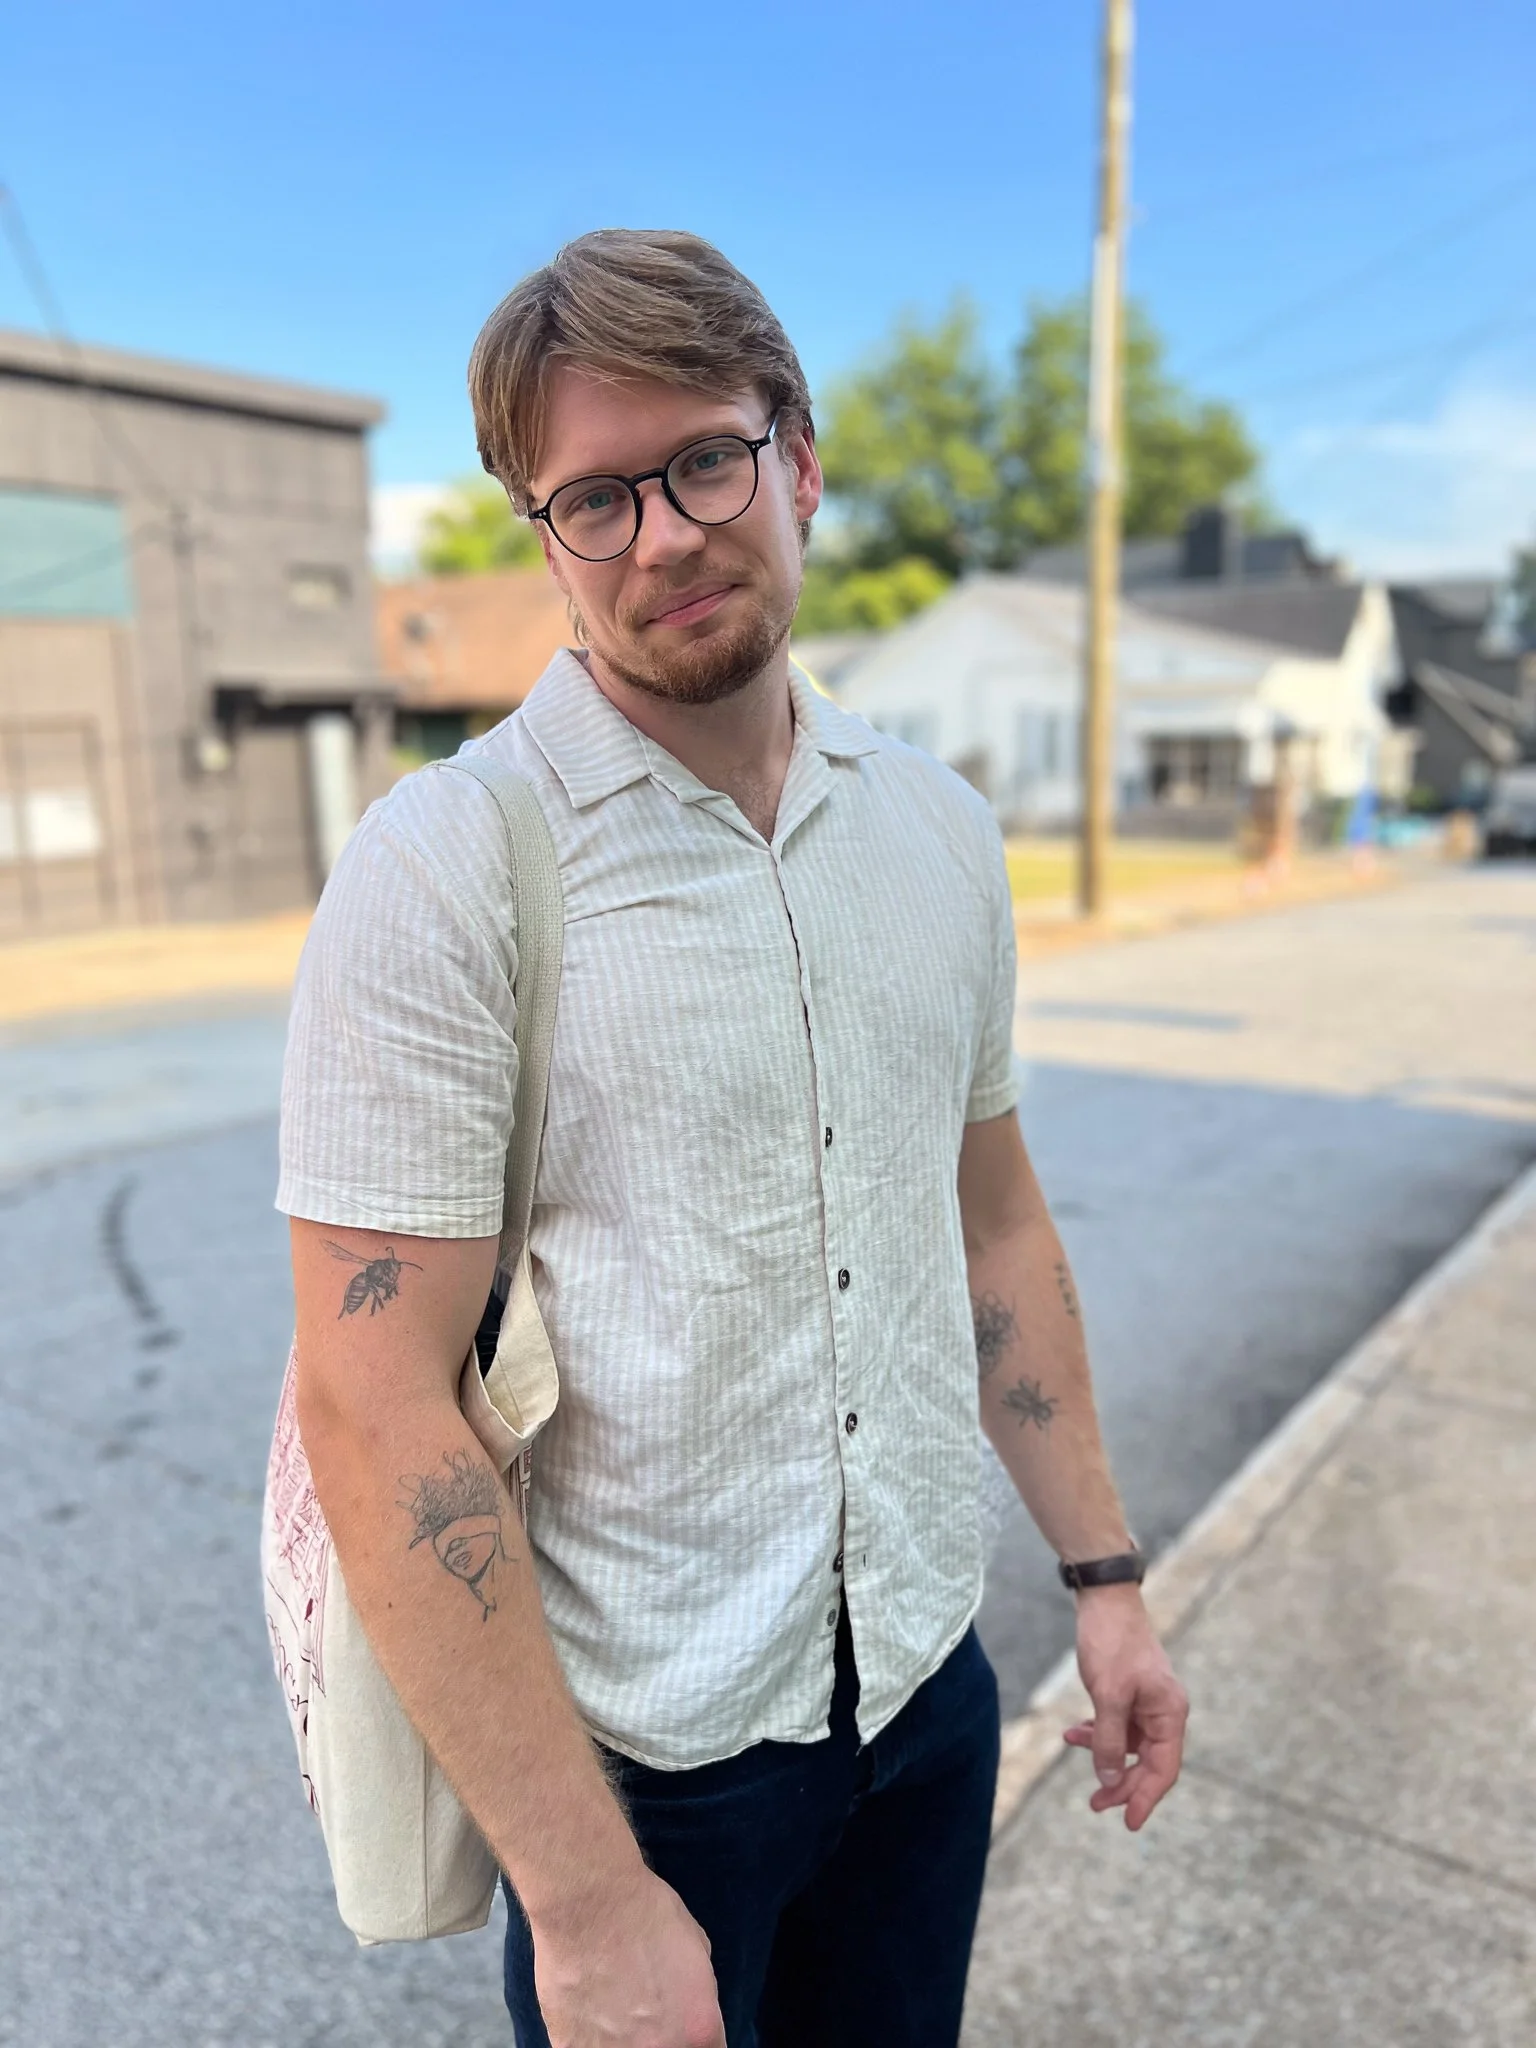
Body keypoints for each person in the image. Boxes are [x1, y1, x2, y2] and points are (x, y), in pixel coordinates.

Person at [279, 228, 1188, 2048]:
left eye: (703, 458)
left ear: (801, 458)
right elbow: (373, 1404)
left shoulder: (937, 831)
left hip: (928, 1684)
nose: (665, 535)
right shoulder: (449, 869)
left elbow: (993, 1226)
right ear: (541, 543)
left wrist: (1108, 1585)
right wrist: (591, 1900)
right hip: (648, 1761)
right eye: (591, 500)